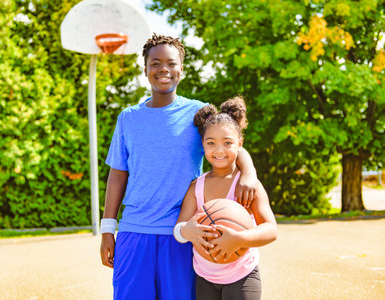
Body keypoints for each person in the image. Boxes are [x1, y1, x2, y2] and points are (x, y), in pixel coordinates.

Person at [100, 34, 258, 300]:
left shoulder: (198, 114)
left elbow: (228, 144)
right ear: (145, 69)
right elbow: (118, 174)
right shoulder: (128, 118)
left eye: (171, 63)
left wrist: (249, 173)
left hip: (184, 233)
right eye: (155, 63)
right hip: (134, 231)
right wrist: (107, 229)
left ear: (181, 70)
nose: (164, 69)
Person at [174, 96, 278, 300]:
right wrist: (187, 231)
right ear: (203, 144)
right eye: (211, 143)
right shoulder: (196, 186)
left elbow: (271, 230)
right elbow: (179, 230)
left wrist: (239, 239)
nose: (219, 150)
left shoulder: (248, 185)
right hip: (203, 276)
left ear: (240, 143)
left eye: (227, 143)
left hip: (242, 275)